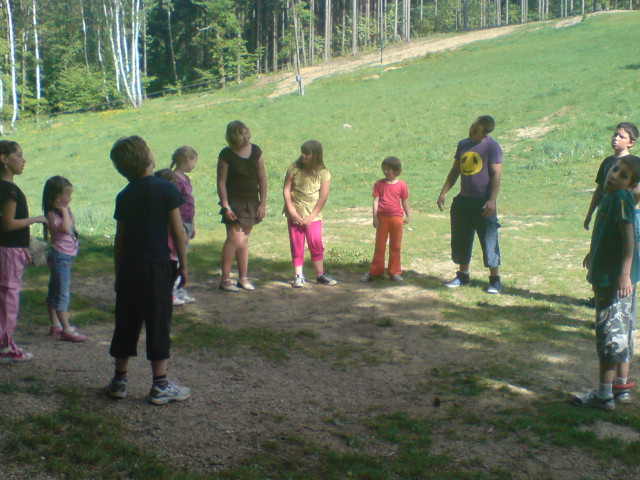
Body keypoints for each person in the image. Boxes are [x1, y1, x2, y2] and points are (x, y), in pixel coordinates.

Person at [106, 135, 191, 405]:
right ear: (147, 157)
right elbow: (177, 230)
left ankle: (119, 381)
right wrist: (183, 264)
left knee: (126, 322)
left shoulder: (124, 195)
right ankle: (160, 385)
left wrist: (119, 272)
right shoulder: (166, 189)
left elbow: (120, 240)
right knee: (158, 322)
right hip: (157, 267)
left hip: (130, 268)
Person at [573, 156, 640, 410]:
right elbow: (610, 235)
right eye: (615, 169)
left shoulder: (620, 198)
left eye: (623, 175)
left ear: (631, 185)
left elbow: (628, 239)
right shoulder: (611, 198)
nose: (614, 176)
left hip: (614, 280)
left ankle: (603, 394)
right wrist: (594, 252)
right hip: (614, 277)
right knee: (622, 331)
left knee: (610, 335)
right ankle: (620, 388)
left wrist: (624, 274)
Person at [437, 115, 503, 294]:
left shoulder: (492, 147)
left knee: (489, 240)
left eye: (476, 130)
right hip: (463, 200)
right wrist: (444, 192)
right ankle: (463, 275)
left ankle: (494, 280)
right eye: (472, 126)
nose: (471, 131)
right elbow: (455, 170)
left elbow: (496, 175)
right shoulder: (463, 144)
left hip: (483, 202)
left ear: (485, 133)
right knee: (461, 238)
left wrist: (492, 200)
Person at [0, 141, 47, 363]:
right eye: (18, 155)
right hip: (8, 252)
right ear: (4, 159)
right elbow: (9, 224)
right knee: (9, 299)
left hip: (7, 250)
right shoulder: (10, 190)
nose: (23, 160)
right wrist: (37, 219)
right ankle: (5, 347)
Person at [217, 121, 267, 292]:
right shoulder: (226, 155)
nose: (245, 138)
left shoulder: (256, 151)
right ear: (232, 138)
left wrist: (262, 203)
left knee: (244, 240)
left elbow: (262, 179)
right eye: (241, 135)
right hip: (233, 203)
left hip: (252, 201)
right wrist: (226, 206)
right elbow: (221, 182)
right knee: (233, 239)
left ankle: (243, 278)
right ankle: (225, 279)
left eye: (246, 133)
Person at [282, 140, 337, 288]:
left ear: (316, 155)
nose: (303, 156)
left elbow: (323, 197)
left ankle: (320, 275)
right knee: (296, 244)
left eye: (307, 154)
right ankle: (298, 275)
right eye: (302, 153)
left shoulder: (323, 173)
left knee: (316, 243)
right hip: (295, 214)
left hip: (313, 216)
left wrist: (311, 217)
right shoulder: (293, 168)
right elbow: (286, 189)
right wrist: (292, 211)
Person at [42, 176, 86, 342]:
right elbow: (67, 229)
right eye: (67, 195)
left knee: (55, 290)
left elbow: (72, 225)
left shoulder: (61, 213)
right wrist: (65, 211)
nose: (70, 198)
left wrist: (66, 211)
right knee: (62, 293)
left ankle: (55, 325)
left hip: (64, 256)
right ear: (56, 198)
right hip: (60, 257)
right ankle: (66, 329)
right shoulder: (52, 215)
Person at [361, 156, 410, 283]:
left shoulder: (402, 185)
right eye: (384, 169)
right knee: (380, 245)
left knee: (396, 246)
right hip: (382, 218)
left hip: (397, 218)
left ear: (396, 170)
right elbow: (375, 202)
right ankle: (375, 271)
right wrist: (375, 218)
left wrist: (408, 215)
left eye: (389, 169)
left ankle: (394, 272)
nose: (386, 172)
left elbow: (404, 201)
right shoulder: (379, 184)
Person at [584, 122, 639, 231]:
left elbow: (638, 190)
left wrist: (632, 208)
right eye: (615, 135)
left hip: (626, 213)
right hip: (605, 212)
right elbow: (599, 190)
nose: (616, 138)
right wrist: (589, 214)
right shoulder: (607, 162)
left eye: (621, 137)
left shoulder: (635, 163)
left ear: (631, 143)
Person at [154, 168, 186, 307]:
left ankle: (169, 293)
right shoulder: (169, 202)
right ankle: (170, 295)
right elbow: (177, 230)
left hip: (161, 246)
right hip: (168, 246)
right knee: (171, 270)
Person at [171, 146, 198, 303]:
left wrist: (192, 224)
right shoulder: (175, 180)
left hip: (187, 222)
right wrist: (179, 225)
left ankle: (180, 289)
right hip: (179, 223)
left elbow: (189, 202)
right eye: (194, 161)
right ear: (188, 159)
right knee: (176, 257)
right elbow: (175, 204)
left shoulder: (185, 179)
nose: (194, 165)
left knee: (183, 256)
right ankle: (172, 291)